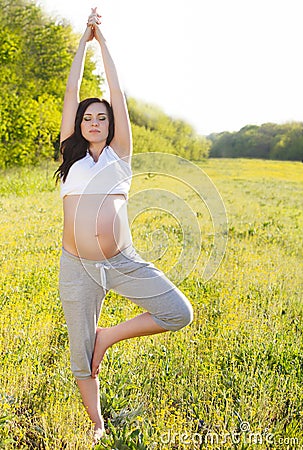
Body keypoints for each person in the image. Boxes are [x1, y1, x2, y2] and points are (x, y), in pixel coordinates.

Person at [55, 8, 193, 446]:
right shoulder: (70, 158)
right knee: (81, 358)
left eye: (102, 118)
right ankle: (97, 424)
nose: (94, 122)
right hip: (76, 265)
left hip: (121, 261)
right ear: (78, 124)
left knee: (178, 313)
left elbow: (116, 92)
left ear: (111, 125)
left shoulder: (120, 157)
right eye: (87, 118)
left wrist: (105, 43)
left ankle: (107, 336)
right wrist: (83, 40)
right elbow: (71, 89)